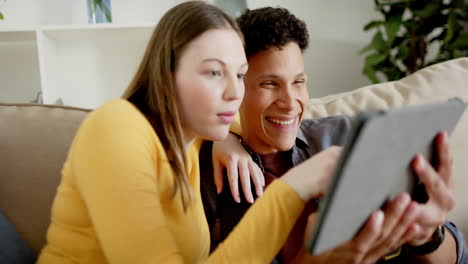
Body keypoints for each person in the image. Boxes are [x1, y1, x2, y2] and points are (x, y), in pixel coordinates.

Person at [36, 1, 346, 263]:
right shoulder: (116, 127)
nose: (233, 93)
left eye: (239, 75)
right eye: (213, 72)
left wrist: (230, 136)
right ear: (167, 74)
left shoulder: (192, 143)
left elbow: (244, 116)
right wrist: (291, 190)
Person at [201, 6, 468, 264]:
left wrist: (428, 237)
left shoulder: (347, 134)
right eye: (270, 84)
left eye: (298, 82)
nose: (290, 102)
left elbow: (458, 257)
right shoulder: (214, 176)